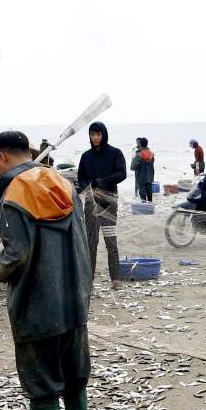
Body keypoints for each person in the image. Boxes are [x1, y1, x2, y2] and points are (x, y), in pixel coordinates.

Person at [0, 131, 93, 410]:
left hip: (37, 306)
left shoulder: (14, 192)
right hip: (74, 300)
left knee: (42, 382)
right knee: (75, 375)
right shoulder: (63, 183)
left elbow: (16, 253)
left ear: (1, 157)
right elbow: (82, 239)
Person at [76, 121, 127, 287]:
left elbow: (122, 174)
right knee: (91, 241)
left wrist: (101, 181)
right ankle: (88, 279)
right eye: (92, 134)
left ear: (103, 135)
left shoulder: (115, 153)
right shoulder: (86, 156)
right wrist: (88, 187)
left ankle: (116, 278)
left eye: (98, 134)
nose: (95, 137)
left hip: (109, 202)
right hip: (91, 203)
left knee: (111, 240)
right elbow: (81, 178)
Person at [132, 138, 155, 202]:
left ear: (140, 144)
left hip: (141, 177)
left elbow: (134, 166)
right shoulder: (151, 153)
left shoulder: (139, 154)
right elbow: (152, 163)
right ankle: (150, 203)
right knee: (149, 191)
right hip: (150, 176)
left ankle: (144, 204)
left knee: (142, 192)